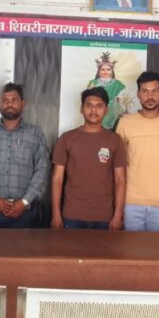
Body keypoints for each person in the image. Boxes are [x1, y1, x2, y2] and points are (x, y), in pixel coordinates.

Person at [0, 83, 49, 228]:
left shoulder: (35, 134)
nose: (9, 104)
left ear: (22, 104)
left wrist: (24, 202)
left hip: (26, 212)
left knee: (26, 244)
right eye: (5, 100)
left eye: (14, 100)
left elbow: (42, 171)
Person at [116, 71, 159, 231]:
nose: (150, 96)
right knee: (130, 247)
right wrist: (118, 204)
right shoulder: (125, 122)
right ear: (138, 94)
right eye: (145, 91)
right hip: (130, 202)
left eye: (155, 91)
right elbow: (117, 167)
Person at [51, 87, 127, 230]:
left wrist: (118, 215)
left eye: (99, 106)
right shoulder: (67, 139)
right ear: (81, 109)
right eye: (89, 105)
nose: (93, 110)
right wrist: (56, 214)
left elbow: (120, 180)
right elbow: (57, 178)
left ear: (106, 110)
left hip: (105, 217)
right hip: (72, 215)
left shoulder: (115, 140)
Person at [87, 52, 133, 130]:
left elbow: (124, 98)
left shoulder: (118, 84)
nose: (105, 72)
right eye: (102, 69)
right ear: (98, 71)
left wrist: (120, 101)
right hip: (97, 109)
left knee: (115, 129)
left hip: (114, 110)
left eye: (108, 69)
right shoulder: (93, 83)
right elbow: (88, 99)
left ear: (112, 71)